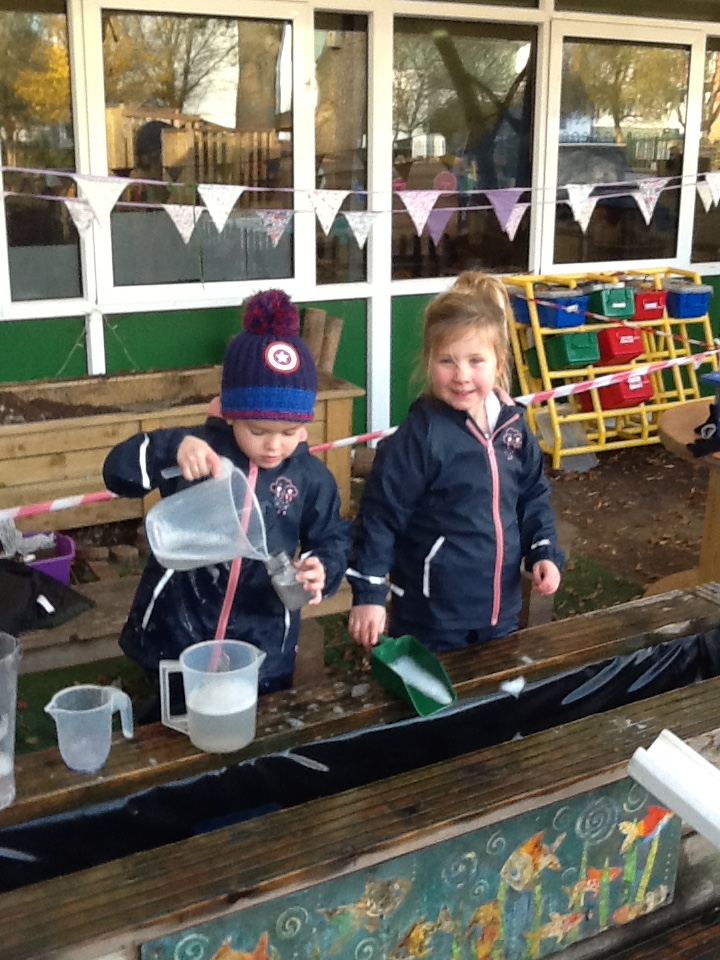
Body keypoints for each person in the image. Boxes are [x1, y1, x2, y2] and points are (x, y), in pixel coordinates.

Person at [103, 289, 350, 703]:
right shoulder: (197, 452)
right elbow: (116, 474)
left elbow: (333, 536)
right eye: (257, 431)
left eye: (289, 433)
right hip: (176, 632)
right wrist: (170, 447)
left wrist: (322, 568)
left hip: (263, 644)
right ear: (231, 413)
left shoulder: (311, 478)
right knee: (169, 736)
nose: (274, 446)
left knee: (249, 736)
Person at [347, 272, 564, 654]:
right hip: (431, 617)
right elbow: (380, 517)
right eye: (447, 360)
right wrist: (369, 592)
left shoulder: (514, 428)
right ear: (428, 362)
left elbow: (532, 495)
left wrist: (543, 549)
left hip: (501, 612)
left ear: (499, 363)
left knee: (492, 699)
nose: (461, 375)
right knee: (430, 706)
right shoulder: (421, 437)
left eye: (475, 360)